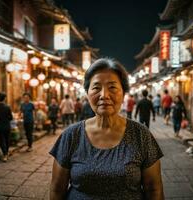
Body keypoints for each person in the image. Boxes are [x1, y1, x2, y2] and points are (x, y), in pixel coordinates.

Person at [49, 58, 164, 200]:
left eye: (112, 87)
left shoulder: (141, 134)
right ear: (87, 93)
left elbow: (154, 189)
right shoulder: (71, 135)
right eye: (96, 87)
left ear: (123, 93)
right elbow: (57, 189)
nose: (104, 95)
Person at [0, 92, 13, 162]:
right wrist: (6, 118)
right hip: (6, 126)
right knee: (7, 140)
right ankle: (6, 153)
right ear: (4, 98)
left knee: (1, 140)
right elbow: (11, 118)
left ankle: (5, 154)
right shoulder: (7, 107)